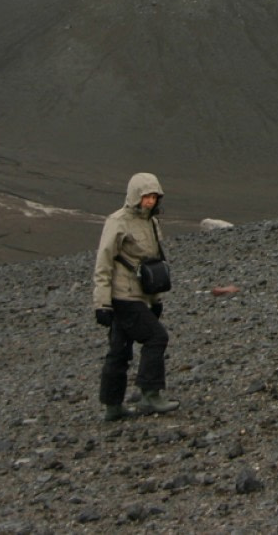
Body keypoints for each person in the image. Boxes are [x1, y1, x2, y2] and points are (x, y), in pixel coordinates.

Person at [92, 172, 177, 422]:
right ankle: (150, 394)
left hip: (141, 295)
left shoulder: (151, 223)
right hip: (123, 296)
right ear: (134, 196)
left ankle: (113, 406)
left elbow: (154, 262)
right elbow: (104, 263)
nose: (150, 201)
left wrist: (156, 300)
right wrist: (102, 304)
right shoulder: (118, 222)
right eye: (146, 197)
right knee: (156, 337)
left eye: (153, 197)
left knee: (119, 350)